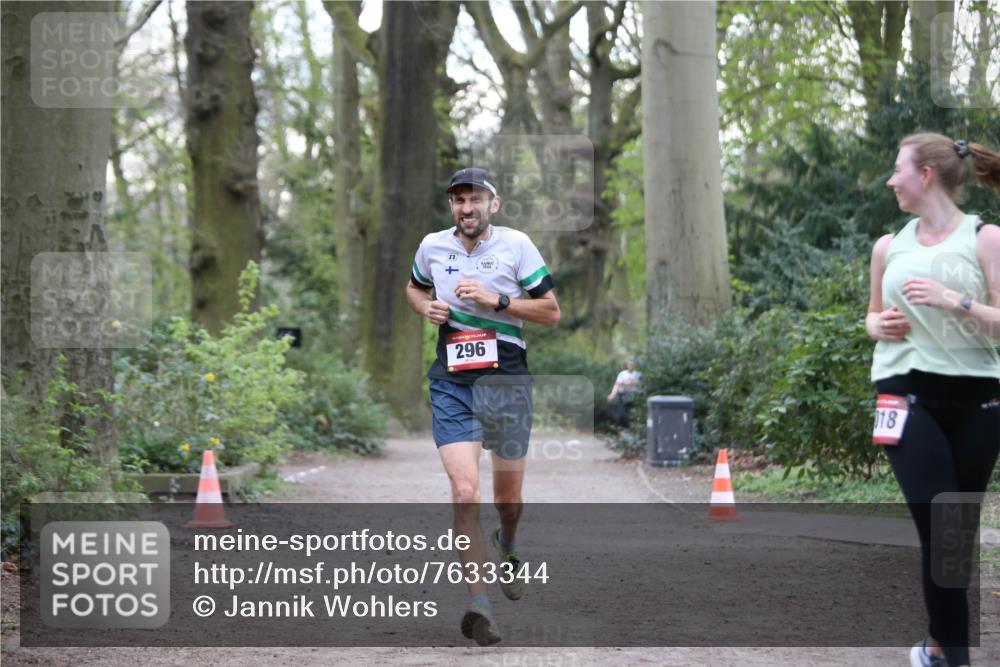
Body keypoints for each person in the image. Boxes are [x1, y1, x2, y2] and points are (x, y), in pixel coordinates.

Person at [405, 167, 560, 646]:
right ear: (451, 205)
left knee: (506, 501)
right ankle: (480, 603)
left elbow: (551, 311)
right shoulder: (432, 246)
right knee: (465, 491)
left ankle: (508, 545)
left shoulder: (516, 246)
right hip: (453, 383)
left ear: (494, 203)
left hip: (508, 382)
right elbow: (415, 287)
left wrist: (497, 301)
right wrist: (424, 307)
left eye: (475, 200)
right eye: (458, 200)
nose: (466, 208)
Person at [866, 133, 1000, 667]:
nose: (889, 179)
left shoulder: (985, 238)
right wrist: (879, 324)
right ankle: (957, 658)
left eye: (896, 169)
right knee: (940, 523)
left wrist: (956, 300)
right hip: (904, 393)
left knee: (956, 535)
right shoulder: (888, 245)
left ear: (924, 175)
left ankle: (940, 645)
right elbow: (872, 317)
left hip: (979, 399)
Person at [607, 357, 641, 426]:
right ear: (627, 365)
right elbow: (617, 385)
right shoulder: (622, 374)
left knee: (633, 414)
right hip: (623, 396)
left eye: (632, 364)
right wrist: (612, 394)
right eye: (629, 364)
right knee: (621, 414)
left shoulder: (638, 374)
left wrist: (629, 383)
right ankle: (623, 428)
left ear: (635, 365)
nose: (631, 366)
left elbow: (639, 383)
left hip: (634, 396)